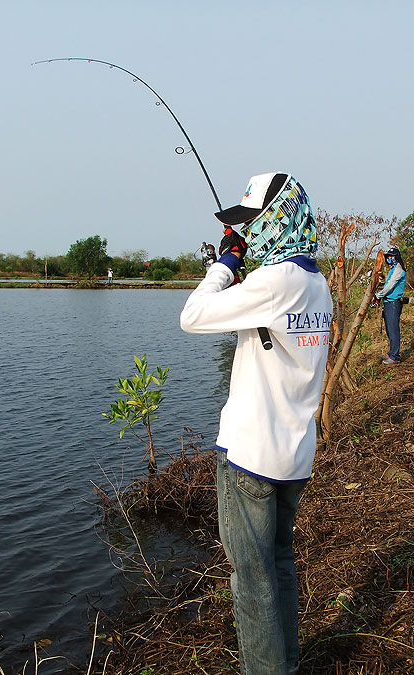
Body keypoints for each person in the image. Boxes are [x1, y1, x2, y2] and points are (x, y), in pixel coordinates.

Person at [180, 172, 332, 675]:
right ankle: (286, 665)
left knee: (251, 582)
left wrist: (224, 262)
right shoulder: (316, 284)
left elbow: (194, 316)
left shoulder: (273, 282)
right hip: (293, 458)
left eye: (251, 222)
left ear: (278, 218)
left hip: (250, 459)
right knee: (280, 567)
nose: (247, 232)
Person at [374, 246, 406, 364]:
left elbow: (389, 286)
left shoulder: (399, 270)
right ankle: (391, 352)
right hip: (388, 302)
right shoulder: (392, 270)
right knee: (389, 328)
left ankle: (395, 356)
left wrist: (378, 295)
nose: (389, 259)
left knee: (393, 329)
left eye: (391, 256)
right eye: (388, 257)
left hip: (394, 303)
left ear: (396, 257)